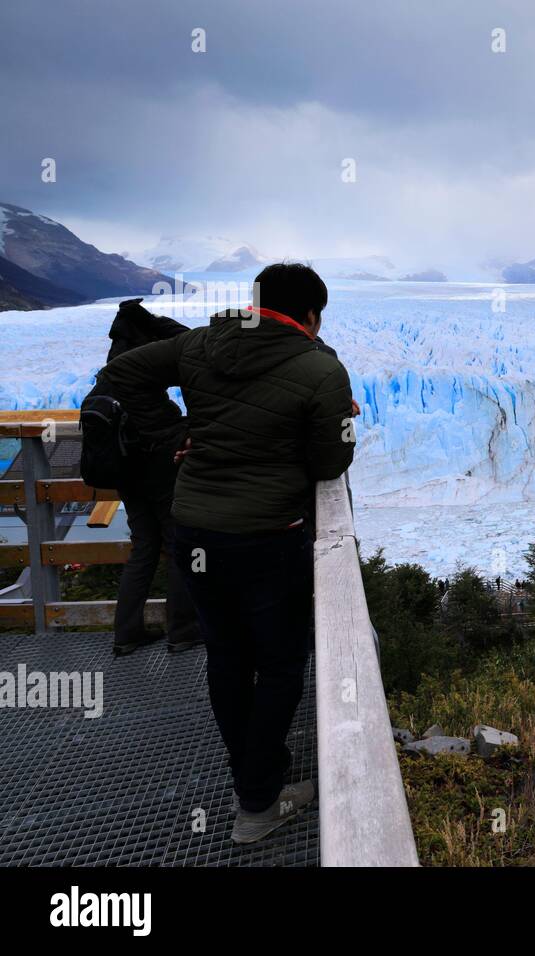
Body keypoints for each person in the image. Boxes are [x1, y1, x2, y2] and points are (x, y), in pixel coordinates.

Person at [96, 263, 356, 844]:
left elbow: (121, 373)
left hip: (194, 536)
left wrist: (178, 432)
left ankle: (256, 787)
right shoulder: (320, 368)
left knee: (229, 660)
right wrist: (337, 422)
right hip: (269, 537)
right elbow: (327, 464)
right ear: (311, 316)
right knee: (283, 665)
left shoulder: (200, 342)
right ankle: (259, 800)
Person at [87, 298, 201, 656]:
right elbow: (191, 341)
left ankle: (126, 634)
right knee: (179, 543)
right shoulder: (145, 355)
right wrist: (158, 322)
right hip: (155, 466)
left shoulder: (114, 361)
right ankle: (183, 630)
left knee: (145, 548)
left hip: (125, 471)